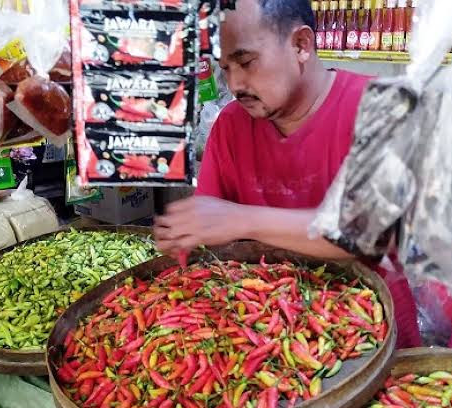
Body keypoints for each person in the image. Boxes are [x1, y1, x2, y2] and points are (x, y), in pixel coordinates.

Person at [154, 0, 421, 348]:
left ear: (301, 45)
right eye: (225, 68)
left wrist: (242, 220)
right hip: (267, 335)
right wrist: (185, 234)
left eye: (246, 62)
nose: (235, 84)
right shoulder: (230, 127)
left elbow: (369, 230)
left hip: (371, 333)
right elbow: (210, 237)